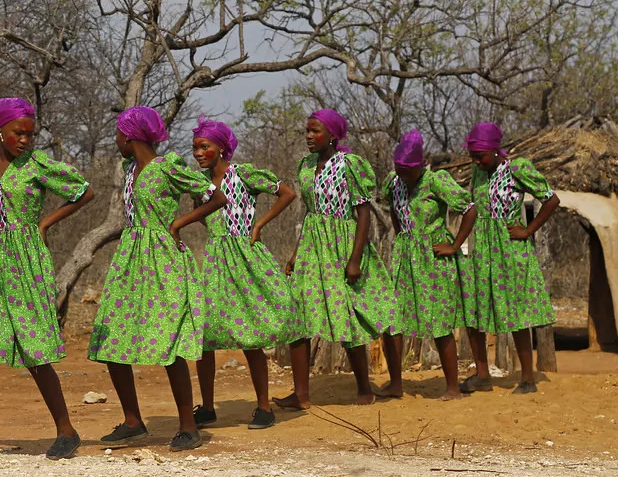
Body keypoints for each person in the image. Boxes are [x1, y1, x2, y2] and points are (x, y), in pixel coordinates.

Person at [0, 98, 95, 460]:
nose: (25, 139)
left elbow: (84, 192)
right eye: (18, 133)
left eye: (30, 133)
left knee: (33, 345)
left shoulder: (37, 164)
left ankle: (67, 431)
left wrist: (44, 223)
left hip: (27, 257)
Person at [88, 106, 228, 451]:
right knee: (112, 338)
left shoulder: (167, 168)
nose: (117, 141)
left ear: (130, 135)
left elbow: (217, 197)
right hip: (130, 259)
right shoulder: (129, 167)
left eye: (119, 134)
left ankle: (188, 426)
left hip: (163, 259)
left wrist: (179, 223)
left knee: (170, 342)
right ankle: (133, 421)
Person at [272, 109, 397, 409]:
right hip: (313, 248)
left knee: (346, 316)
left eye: (315, 131)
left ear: (332, 135)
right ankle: (301, 394)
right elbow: (309, 213)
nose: (309, 137)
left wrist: (354, 259)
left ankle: (364, 388)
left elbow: (363, 213)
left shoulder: (349, 165)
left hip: (342, 246)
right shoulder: (306, 166)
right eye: (307, 131)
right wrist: (296, 252)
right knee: (297, 316)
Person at [189, 118, 298, 431]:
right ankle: (207, 407)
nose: (198, 153)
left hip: (244, 258)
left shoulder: (244, 174)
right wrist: (215, 234)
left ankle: (264, 407)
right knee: (204, 336)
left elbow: (288, 194)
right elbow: (200, 214)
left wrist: (259, 225)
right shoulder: (200, 183)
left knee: (250, 333)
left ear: (221, 147)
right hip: (213, 261)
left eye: (204, 146)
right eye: (195, 147)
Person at [459, 122, 559, 395]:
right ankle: (482, 375)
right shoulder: (478, 172)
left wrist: (528, 229)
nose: (477, 162)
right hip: (482, 250)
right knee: (476, 311)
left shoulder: (518, 168)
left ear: (495, 150)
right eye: (473, 157)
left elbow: (551, 199)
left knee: (517, 313)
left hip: (510, 250)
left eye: (481, 156)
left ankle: (527, 378)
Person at [379, 130, 478, 401]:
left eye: (407, 171)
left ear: (420, 166)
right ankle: (396, 383)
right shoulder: (393, 183)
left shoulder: (436, 182)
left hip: (434, 261)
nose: (402, 176)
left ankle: (452, 388)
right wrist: (403, 237)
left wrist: (455, 244)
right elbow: (395, 213)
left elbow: (469, 208)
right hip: (405, 257)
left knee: (440, 323)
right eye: (398, 169)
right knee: (392, 321)